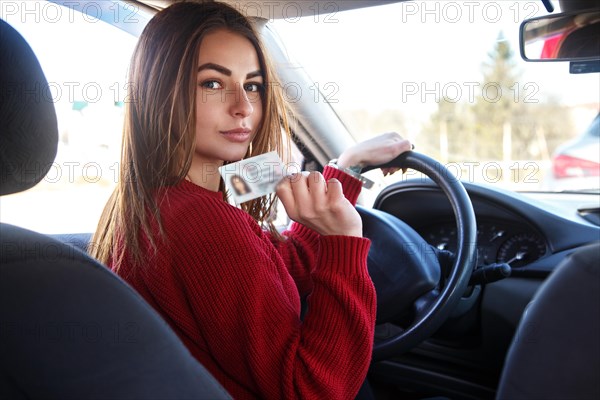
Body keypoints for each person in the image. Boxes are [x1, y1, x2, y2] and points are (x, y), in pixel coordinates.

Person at [91, 2, 411, 399]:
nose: (243, 107)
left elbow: (282, 266)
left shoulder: (157, 199)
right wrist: (345, 239)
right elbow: (311, 390)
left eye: (254, 85)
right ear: (161, 92)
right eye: (212, 83)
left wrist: (346, 167)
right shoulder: (201, 220)